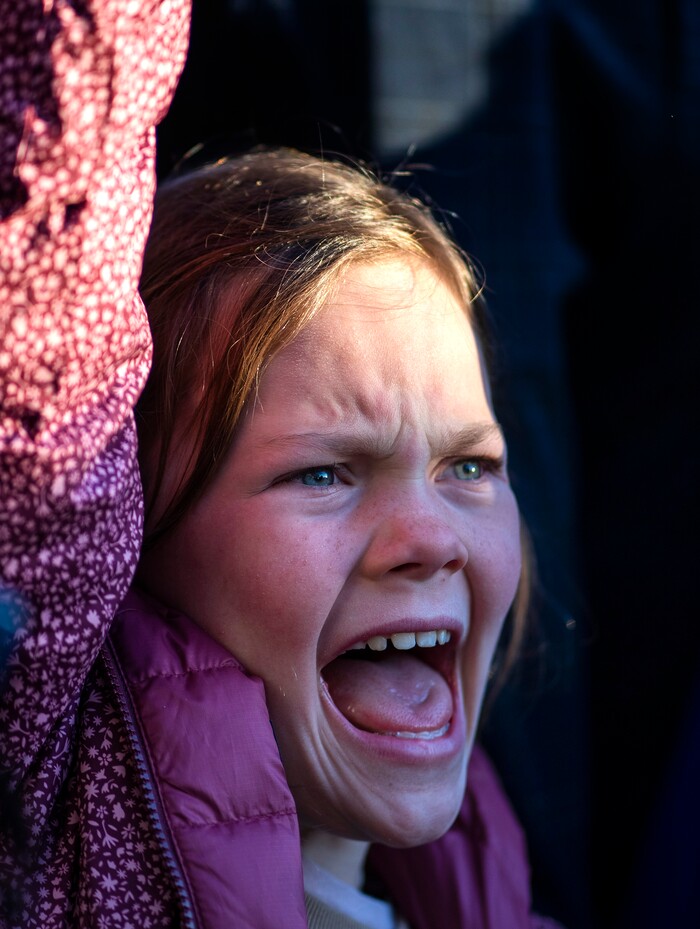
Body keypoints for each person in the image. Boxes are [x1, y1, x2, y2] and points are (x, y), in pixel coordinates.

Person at [0, 1, 563, 927]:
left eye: (469, 464)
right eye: (324, 473)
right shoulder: (67, 853)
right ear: (122, 536)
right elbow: (39, 398)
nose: (432, 540)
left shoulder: (504, 899)